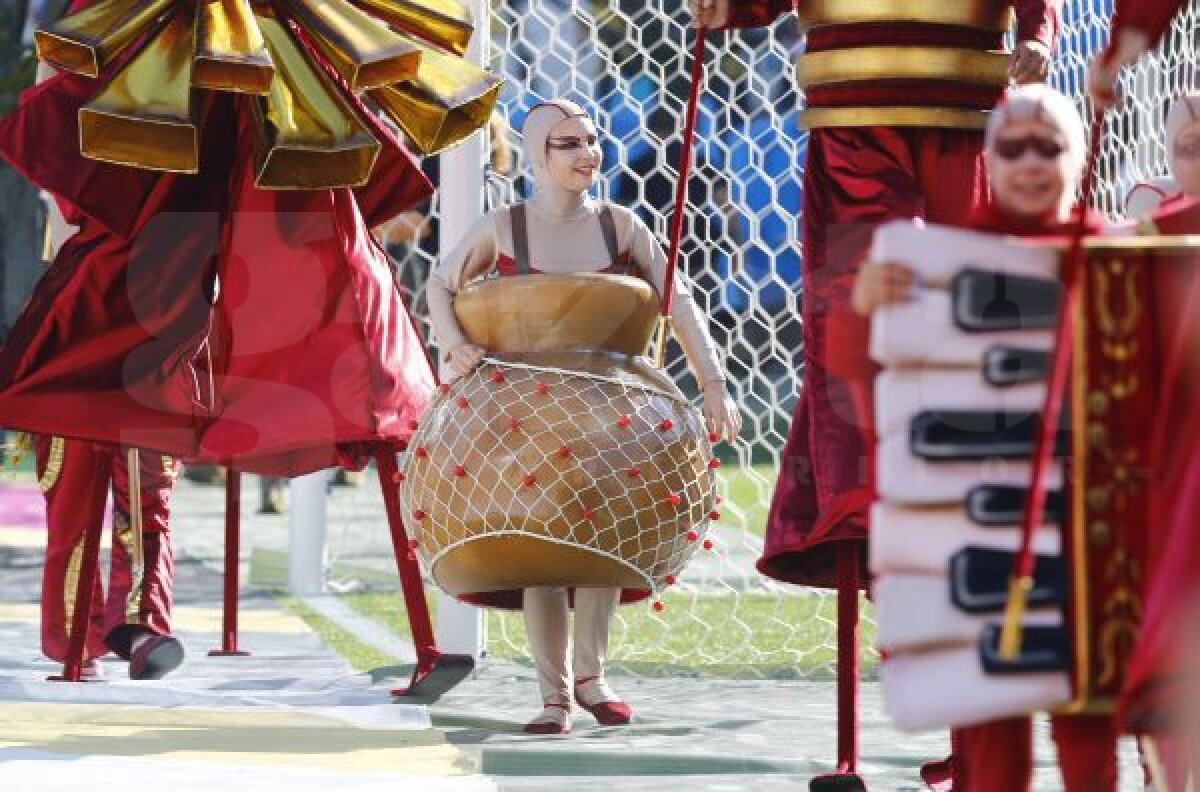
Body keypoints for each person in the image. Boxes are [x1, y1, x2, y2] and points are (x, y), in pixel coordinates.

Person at [426, 98, 740, 734]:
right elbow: (439, 281)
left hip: (611, 418)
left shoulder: (621, 227)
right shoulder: (503, 227)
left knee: (602, 541)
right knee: (538, 549)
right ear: (539, 153)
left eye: (592, 141)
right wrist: (453, 342)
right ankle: (554, 694)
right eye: (568, 143)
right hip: (521, 418)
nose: (587, 153)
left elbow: (677, 301)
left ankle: (593, 679)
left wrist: (713, 383)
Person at [855, 84, 1119, 792]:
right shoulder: (933, 262)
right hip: (969, 522)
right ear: (990, 159)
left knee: (1084, 719)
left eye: (1049, 147)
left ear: (1080, 154)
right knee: (988, 726)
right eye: (1012, 148)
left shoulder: (1121, 257)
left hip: (1084, 529)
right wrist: (868, 313)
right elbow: (865, 386)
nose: (1030, 164)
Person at [37, 438, 183, 679]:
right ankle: (78, 642)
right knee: (70, 517)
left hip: (149, 403)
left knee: (147, 512)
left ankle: (143, 630)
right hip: (69, 406)